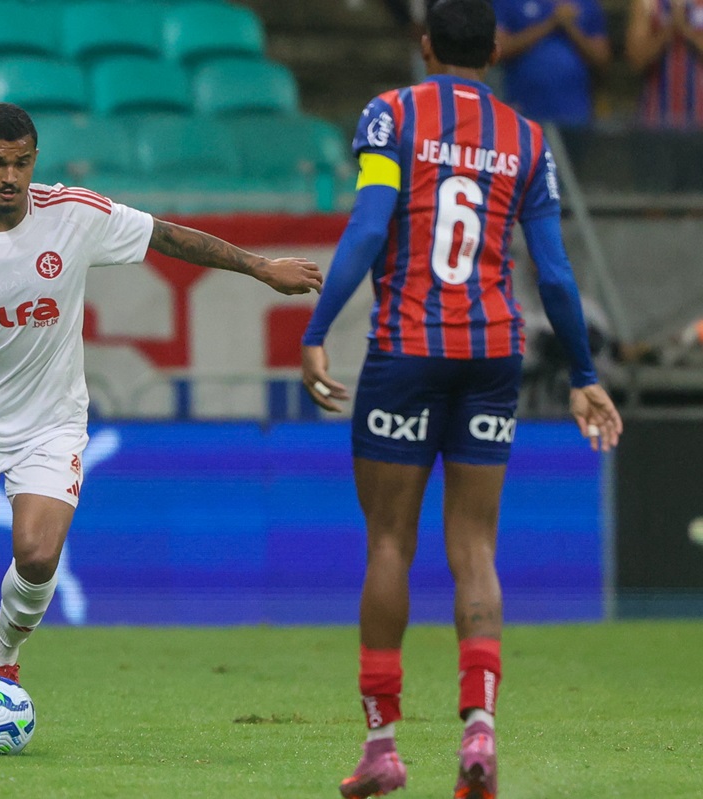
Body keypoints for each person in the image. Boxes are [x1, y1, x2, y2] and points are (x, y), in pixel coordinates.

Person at [0, 102, 324, 753]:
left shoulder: (74, 215)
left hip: (51, 422)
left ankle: (1, 660)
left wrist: (257, 265)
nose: (11, 176)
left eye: (22, 162)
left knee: (37, 552)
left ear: (34, 161)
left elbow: (166, 235)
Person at [299, 2, 622, 798]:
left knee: (388, 545)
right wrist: (583, 372)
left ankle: (382, 745)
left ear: (425, 45)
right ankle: (479, 729)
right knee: (475, 547)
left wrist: (317, 325)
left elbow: (371, 228)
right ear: (499, 48)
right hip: (492, 353)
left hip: (407, 349)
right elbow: (553, 273)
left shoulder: (390, 116)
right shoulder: (529, 139)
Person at [494, 0, 611, 128]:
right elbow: (499, 49)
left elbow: (601, 58)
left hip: (575, 112)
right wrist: (551, 23)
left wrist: (570, 26)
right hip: (522, 109)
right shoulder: (508, 2)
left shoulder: (587, 4)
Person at [626, 0, 703, 128]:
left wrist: (685, 30)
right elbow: (637, 60)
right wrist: (669, 29)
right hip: (656, 117)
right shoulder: (648, 3)